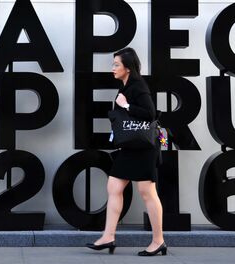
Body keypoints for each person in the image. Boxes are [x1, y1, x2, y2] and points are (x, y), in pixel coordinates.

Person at [85, 48, 166, 256]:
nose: (112, 68)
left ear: (127, 68)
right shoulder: (126, 85)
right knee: (114, 186)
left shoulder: (138, 86)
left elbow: (149, 114)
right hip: (130, 148)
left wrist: (126, 104)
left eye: (116, 65)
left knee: (147, 192)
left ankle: (158, 241)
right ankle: (108, 236)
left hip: (144, 149)